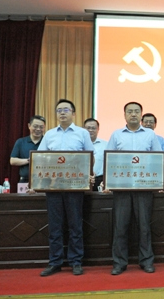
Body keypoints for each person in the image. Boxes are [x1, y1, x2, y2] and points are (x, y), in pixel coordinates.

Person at [36, 99, 94, 277]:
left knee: (75, 225)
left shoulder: (82, 133)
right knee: (55, 226)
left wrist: (88, 176)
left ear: (73, 113)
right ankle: (55, 262)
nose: (62, 112)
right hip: (53, 186)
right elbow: (40, 157)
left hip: (75, 186)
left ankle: (76, 262)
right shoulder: (49, 134)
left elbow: (90, 157)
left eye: (66, 110)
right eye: (59, 110)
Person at [106, 102, 162, 275]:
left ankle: (146, 261)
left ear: (141, 115)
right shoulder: (116, 134)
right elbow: (109, 159)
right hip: (121, 188)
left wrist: (158, 181)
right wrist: (108, 182)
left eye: (136, 111)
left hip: (144, 187)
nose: (133, 114)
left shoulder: (150, 134)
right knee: (120, 226)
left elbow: (158, 158)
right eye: (129, 111)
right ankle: (119, 263)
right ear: (124, 115)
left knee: (144, 226)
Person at [10, 115, 46, 184]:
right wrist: (29, 160)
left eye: (41, 127)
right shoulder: (20, 142)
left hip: (44, 180)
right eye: (35, 126)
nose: (38, 129)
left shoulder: (48, 142)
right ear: (29, 126)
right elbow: (12, 161)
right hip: (25, 180)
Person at [84, 118, 107, 191]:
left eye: (93, 128)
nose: (90, 130)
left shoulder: (106, 145)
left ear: (98, 129)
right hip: (83, 179)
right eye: (88, 128)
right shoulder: (79, 145)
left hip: (100, 180)